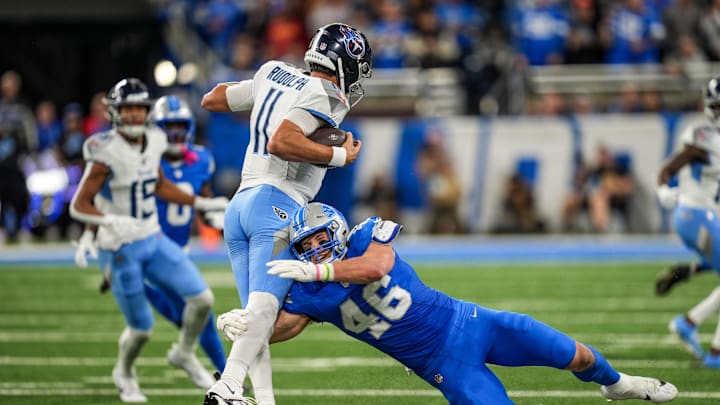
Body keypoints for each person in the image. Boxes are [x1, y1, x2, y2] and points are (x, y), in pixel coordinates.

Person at [217, 202, 678, 405]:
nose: (315, 252)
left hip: (472, 321)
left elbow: (377, 266)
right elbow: (286, 327)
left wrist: (321, 270)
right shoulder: (310, 290)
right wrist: (249, 325)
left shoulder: (362, 239)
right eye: (307, 248)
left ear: (337, 231)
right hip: (444, 364)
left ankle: (618, 385)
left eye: (320, 241)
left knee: (574, 354)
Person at [199, 22, 371, 405]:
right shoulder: (326, 94)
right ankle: (226, 386)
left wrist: (263, 101)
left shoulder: (272, 71)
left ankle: (262, 400)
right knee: (263, 311)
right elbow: (282, 141)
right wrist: (339, 155)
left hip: (240, 204)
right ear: (344, 63)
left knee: (257, 315)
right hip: (275, 206)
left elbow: (212, 99)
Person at [69, 78, 229, 403]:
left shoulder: (155, 140)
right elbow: (82, 203)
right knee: (142, 329)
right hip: (121, 247)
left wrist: (201, 204)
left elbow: (159, 186)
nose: (132, 116)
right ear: (115, 113)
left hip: (152, 237)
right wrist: (97, 229)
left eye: (138, 109)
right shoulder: (104, 150)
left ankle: (185, 354)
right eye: (126, 110)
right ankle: (124, 373)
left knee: (203, 301)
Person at [654, 75, 720, 368]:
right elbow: (668, 168)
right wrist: (664, 191)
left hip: (702, 217)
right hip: (695, 215)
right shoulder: (703, 138)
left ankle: (690, 322)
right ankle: (711, 349)